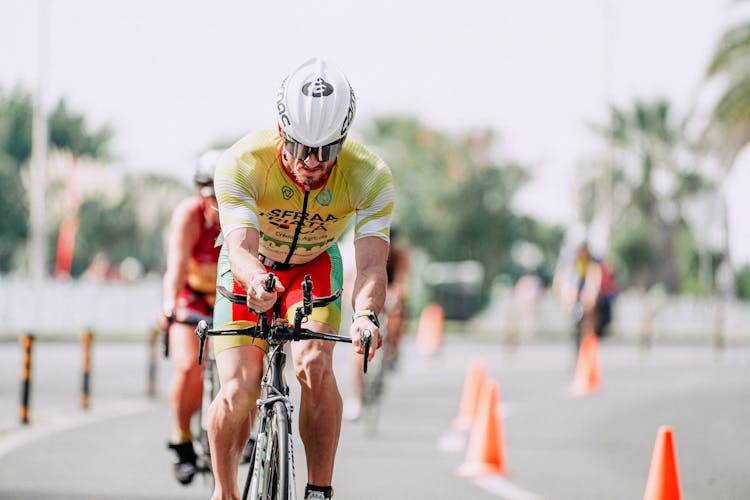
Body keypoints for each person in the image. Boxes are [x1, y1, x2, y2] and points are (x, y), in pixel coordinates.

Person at [209, 58, 395, 500]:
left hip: (314, 266)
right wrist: (256, 282)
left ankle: (318, 489)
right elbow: (240, 250)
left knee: (313, 365)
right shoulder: (242, 161)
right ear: (281, 128)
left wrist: (366, 315)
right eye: (299, 147)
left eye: (326, 150)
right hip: (251, 265)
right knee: (237, 390)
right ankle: (225, 491)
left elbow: (370, 266)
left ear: (344, 138)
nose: (311, 162)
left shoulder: (370, 174)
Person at [158, 149, 222, 485]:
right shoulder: (189, 215)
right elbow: (176, 266)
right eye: (209, 194)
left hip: (229, 297)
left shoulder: (244, 213)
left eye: (224, 193)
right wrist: (170, 305)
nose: (216, 204)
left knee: (251, 363)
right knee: (188, 367)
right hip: (193, 295)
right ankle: (182, 437)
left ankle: (249, 427)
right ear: (199, 192)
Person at [344, 226, 410, 420]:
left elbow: (403, 282)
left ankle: (392, 351)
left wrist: (396, 296)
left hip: (389, 290)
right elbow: (351, 283)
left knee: (398, 313)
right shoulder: (363, 249)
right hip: (365, 292)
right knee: (360, 346)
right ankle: (356, 394)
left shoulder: (401, 254)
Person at [553, 241, 617, 352]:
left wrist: (591, 294)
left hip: (589, 297)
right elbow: (567, 281)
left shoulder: (593, 264)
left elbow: (596, 281)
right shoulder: (573, 263)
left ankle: (589, 341)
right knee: (579, 323)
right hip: (577, 297)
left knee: (590, 322)